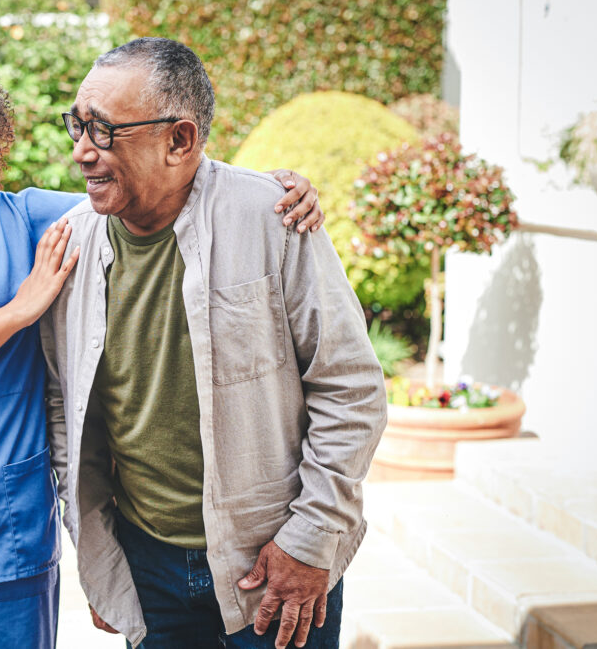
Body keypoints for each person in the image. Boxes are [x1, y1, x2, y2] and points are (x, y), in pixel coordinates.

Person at [0, 30, 325, 649]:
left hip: (3, 542)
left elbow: (152, 184)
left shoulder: (22, 221)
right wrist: (16, 313)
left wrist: (270, 190)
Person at [41, 37, 388, 649]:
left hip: (277, 563)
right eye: (78, 125)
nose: (81, 153)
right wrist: (102, 559)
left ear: (181, 140)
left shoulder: (272, 215)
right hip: (147, 566)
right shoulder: (67, 242)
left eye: (103, 132)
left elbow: (351, 390)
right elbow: (64, 411)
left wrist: (310, 538)